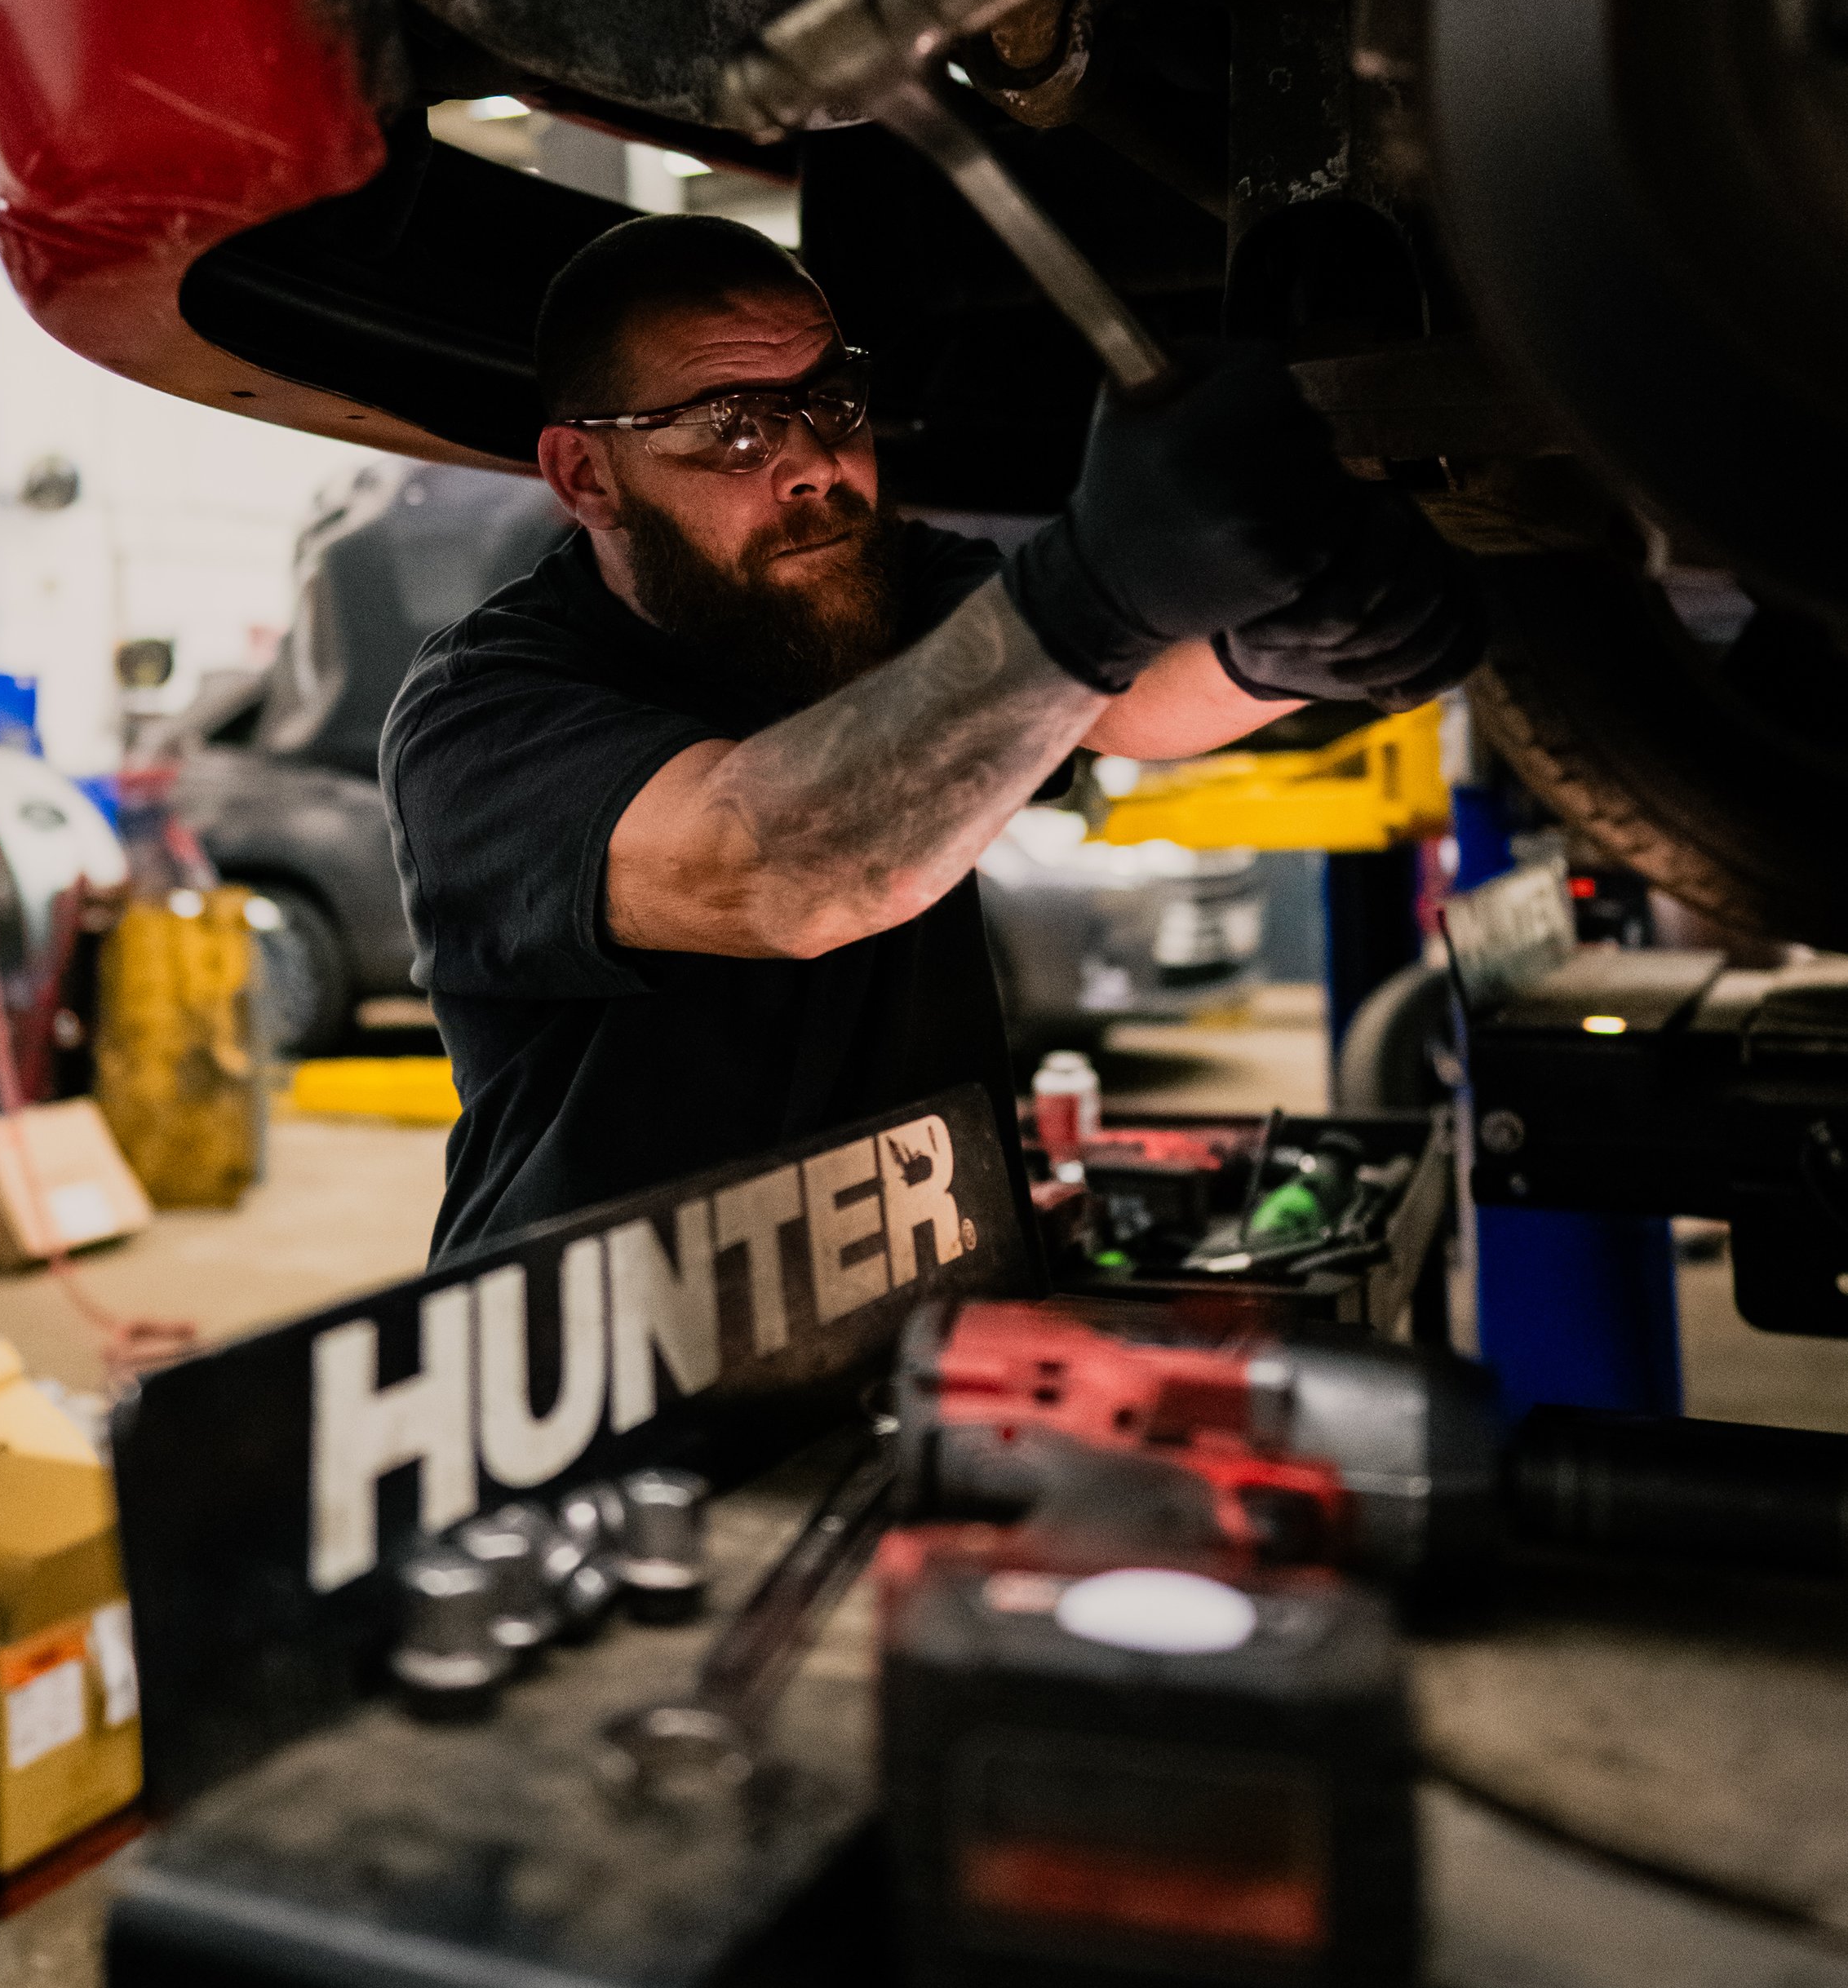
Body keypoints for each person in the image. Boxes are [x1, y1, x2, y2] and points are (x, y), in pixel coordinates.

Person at [381, 215, 1481, 1263]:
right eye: (734, 427)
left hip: (908, 1323)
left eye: (831, 402)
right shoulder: (482, 712)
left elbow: (1110, 696)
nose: (815, 461)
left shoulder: (877, 587)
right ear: (587, 475)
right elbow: (767, 867)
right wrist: (1089, 591)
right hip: (603, 1381)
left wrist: (1283, 651)